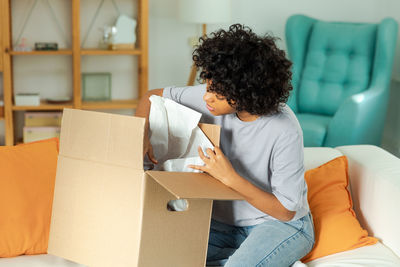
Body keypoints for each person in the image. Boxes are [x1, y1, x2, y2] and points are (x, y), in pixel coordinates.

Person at [135, 24, 314, 267]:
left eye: (218, 94)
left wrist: (230, 178)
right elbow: (150, 97)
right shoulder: (213, 95)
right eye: (208, 86)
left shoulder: (284, 128)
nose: (207, 97)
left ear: (246, 93)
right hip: (220, 224)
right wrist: (142, 134)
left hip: (278, 223)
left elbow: (285, 211)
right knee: (152, 256)